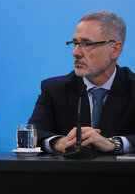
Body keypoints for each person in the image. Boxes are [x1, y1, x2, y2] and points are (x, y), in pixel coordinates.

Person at [29, 10, 135, 154]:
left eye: (87, 44)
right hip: (71, 175)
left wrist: (113, 144)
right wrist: (58, 142)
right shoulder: (55, 89)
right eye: (75, 43)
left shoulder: (132, 87)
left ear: (115, 50)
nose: (76, 53)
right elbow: (33, 134)